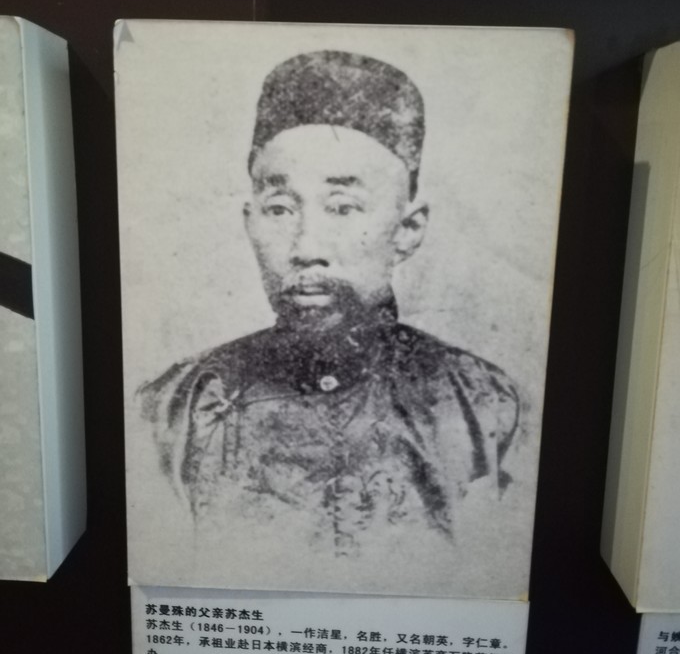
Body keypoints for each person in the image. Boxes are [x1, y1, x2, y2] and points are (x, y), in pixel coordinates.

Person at [140, 50, 520, 559]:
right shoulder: (172, 411)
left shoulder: (488, 406)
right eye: (280, 208)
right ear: (250, 222)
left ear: (408, 229)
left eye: (342, 208)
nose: (305, 247)